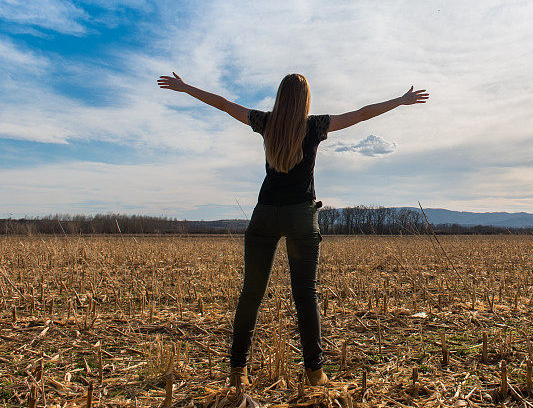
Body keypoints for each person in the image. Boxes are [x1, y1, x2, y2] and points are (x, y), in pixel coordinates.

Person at [157, 72, 429, 389]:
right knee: (305, 296)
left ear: (280, 97)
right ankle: (315, 374)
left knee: (251, 295)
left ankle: (237, 371)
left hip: (264, 216)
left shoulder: (264, 121)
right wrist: (400, 100)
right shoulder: (315, 126)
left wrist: (185, 87)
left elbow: (223, 103)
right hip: (301, 216)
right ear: (305, 100)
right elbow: (361, 114)